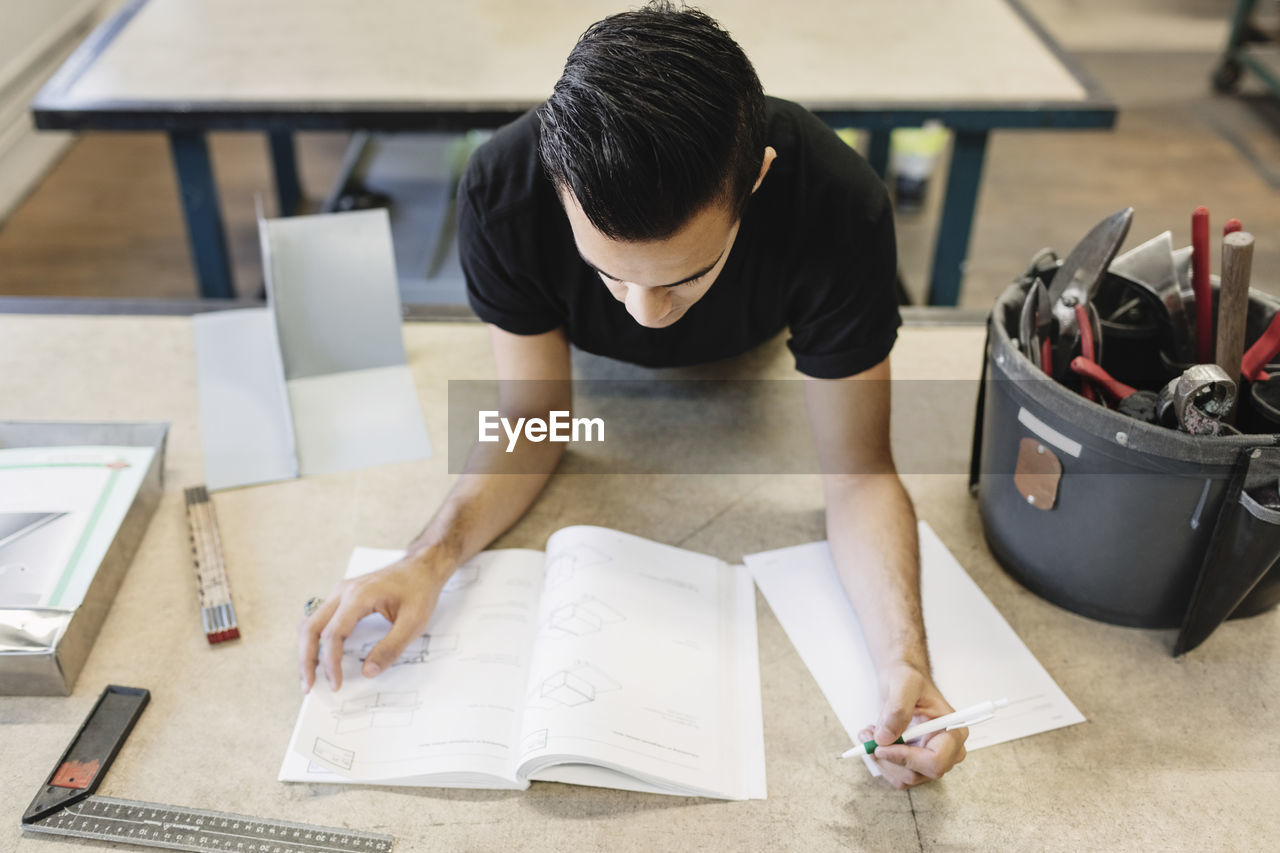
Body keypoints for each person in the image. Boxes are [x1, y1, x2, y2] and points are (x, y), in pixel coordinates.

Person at [298, 1, 966, 789]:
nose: (646, 312)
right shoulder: (504, 190)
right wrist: (429, 557)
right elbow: (531, 416)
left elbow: (858, 471)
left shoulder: (837, 202)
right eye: (609, 272)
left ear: (755, 178)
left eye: (687, 273)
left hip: (751, 368)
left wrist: (904, 660)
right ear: (559, 187)